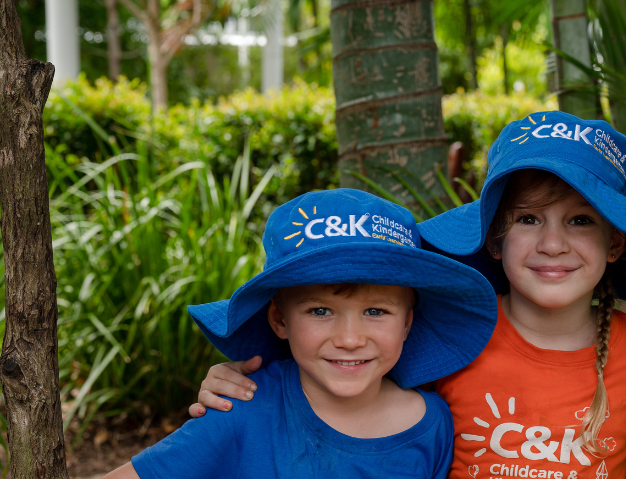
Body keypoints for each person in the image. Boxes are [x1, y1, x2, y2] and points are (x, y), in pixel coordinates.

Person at [189, 112, 626, 479]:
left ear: (615, 241)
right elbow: (337, 365)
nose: (552, 243)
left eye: (580, 220)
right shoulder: (447, 339)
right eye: (527, 219)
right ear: (494, 237)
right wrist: (239, 383)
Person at [104, 189, 498, 479]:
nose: (349, 338)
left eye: (375, 311)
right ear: (279, 319)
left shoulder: (434, 425)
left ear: (408, 323)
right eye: (320, 311)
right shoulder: (240, 408)